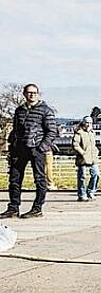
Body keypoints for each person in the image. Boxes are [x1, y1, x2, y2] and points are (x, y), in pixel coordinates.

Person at [1, 83, 57, 219]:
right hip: (19, 149)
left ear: (38, 94)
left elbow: (52, 131)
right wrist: (12, 146)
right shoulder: (19, 110)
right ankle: (13, 208)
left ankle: (37, 208)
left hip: (36, 149)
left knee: (39, 179)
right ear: (24, 94)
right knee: (14, 179)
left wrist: (41, 147)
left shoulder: (46, 111)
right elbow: (15, 130)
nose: (32, 95)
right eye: (29, 92)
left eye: (34, 93)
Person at [72, 116, 100, 202]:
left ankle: (91, 191)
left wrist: (96, 151)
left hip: (93, 158)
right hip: (83, 158)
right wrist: (82, 153)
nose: (89, 124)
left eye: (90, 123)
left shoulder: (92, 133)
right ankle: (82, 194)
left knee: (96, 174)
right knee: (82, 177)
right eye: (87, 122)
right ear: (83, 123)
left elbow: (94, 145)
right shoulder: (79, 133)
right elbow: (75, 145)